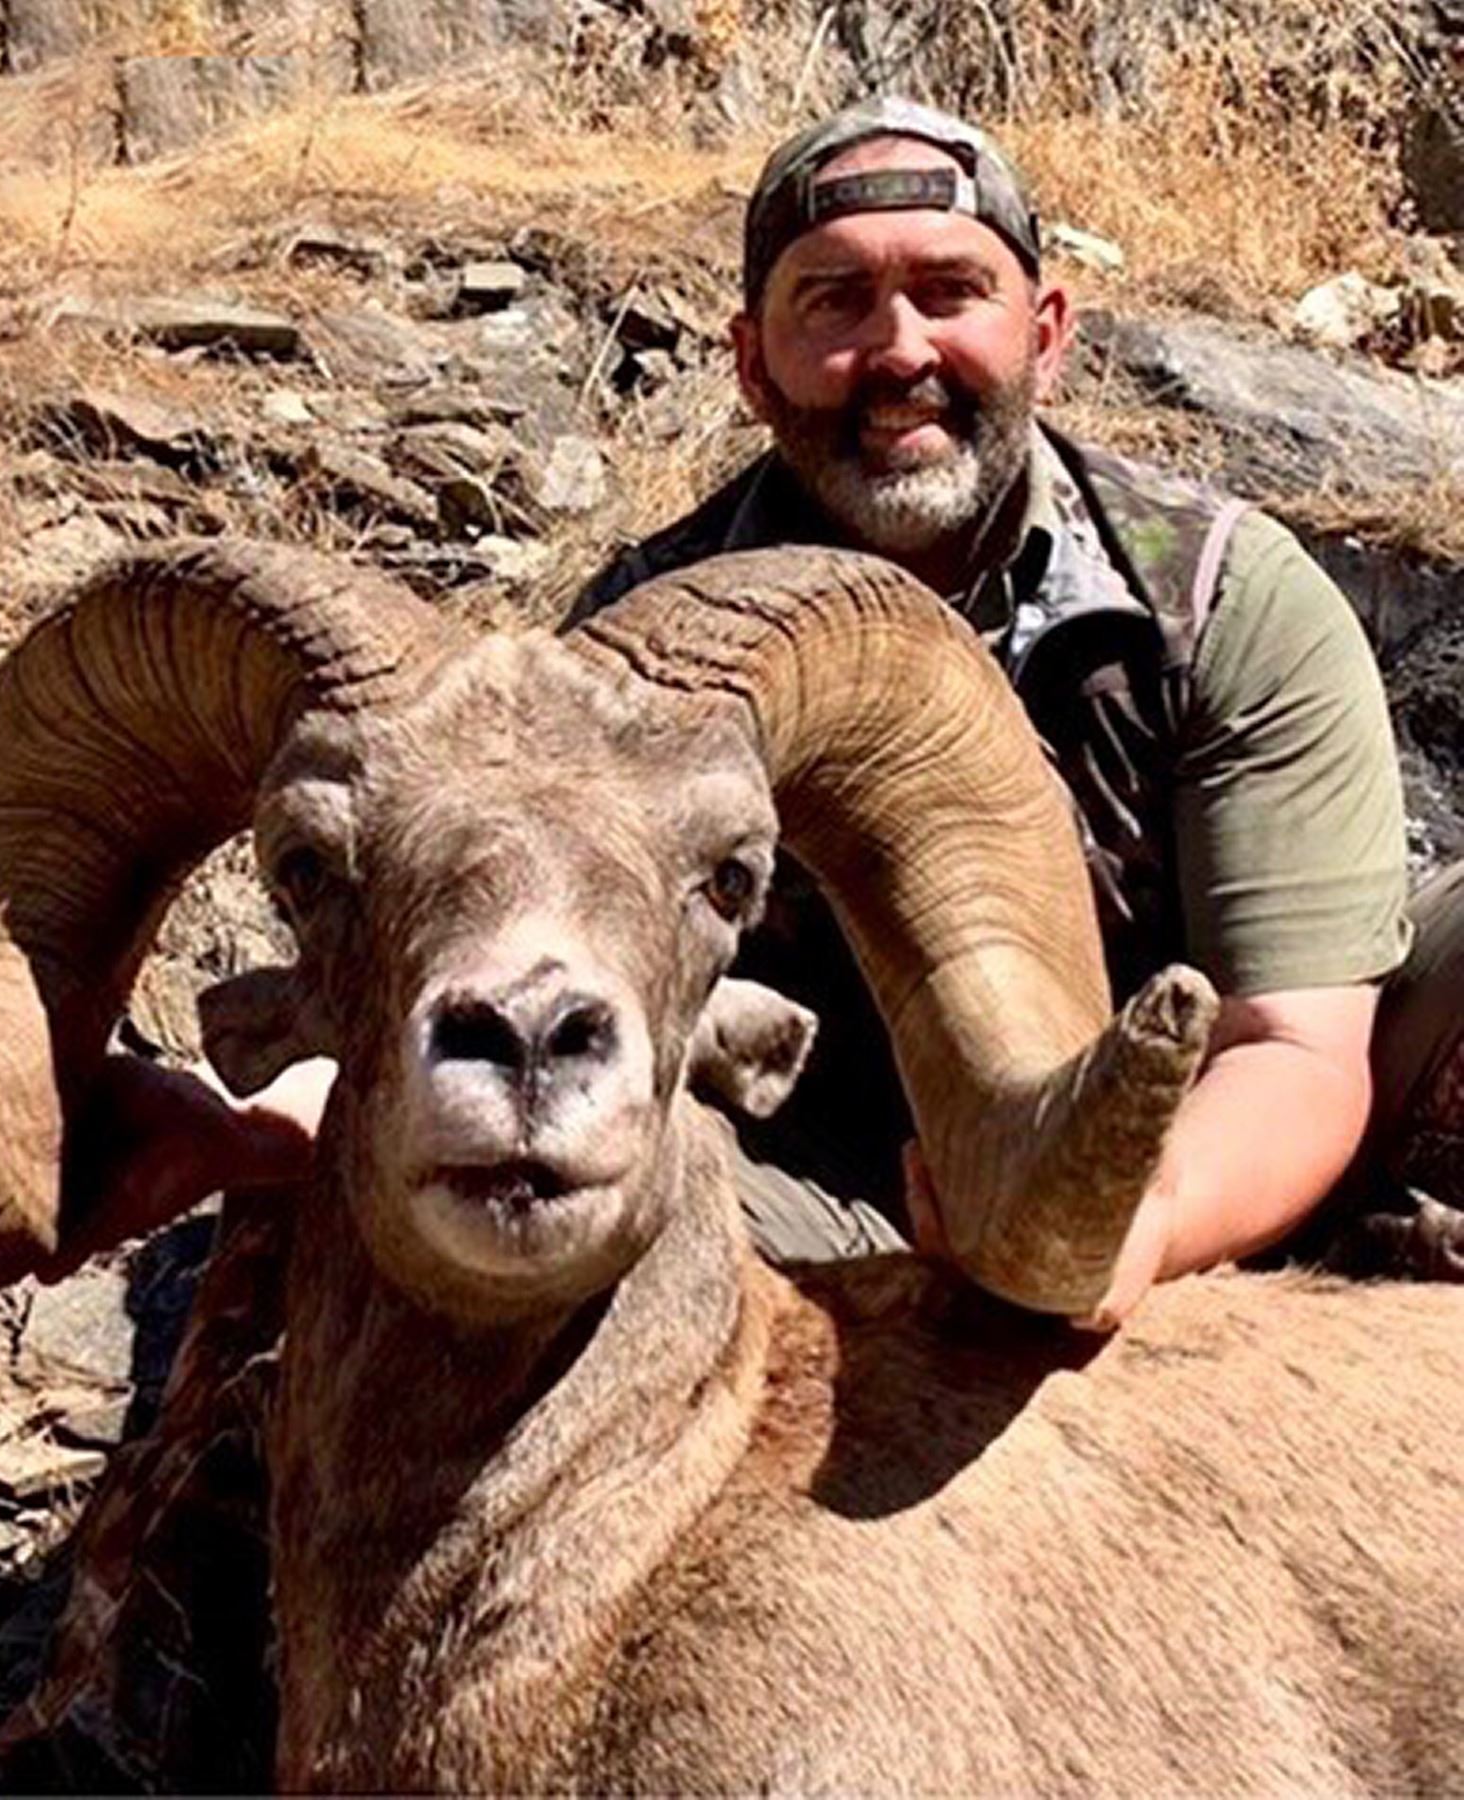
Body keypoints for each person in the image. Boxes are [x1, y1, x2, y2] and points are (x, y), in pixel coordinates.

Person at [567, 95, 1464, 1326]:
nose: (900, 352)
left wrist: (1132, 1223)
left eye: (951, 293)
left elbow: (1292, 1046)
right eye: (833, 301)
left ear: (1045, 334)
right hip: (826, 1194)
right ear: (752, 363)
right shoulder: (640, 647)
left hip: (1197, 1145)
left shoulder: (1216, 599)